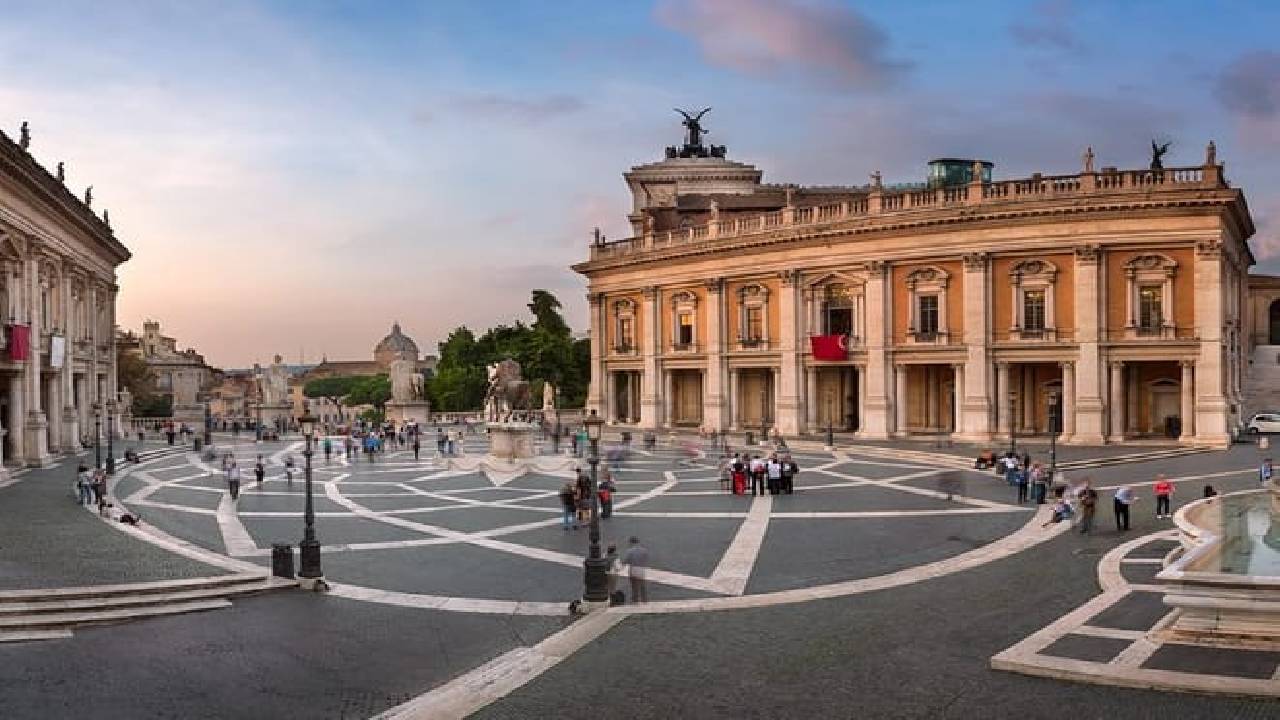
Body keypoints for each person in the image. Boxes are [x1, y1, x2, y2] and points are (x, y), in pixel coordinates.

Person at [623, 536, 649, 603]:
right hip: (642, 569)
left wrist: (623, 564)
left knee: (634, 586)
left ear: (631, 542)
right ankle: (644, 600)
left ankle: (635, 600)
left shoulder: (629, 551)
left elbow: (626, 560)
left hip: (633, 569)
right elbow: (645, 559)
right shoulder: (644, 550)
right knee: (642, 586)